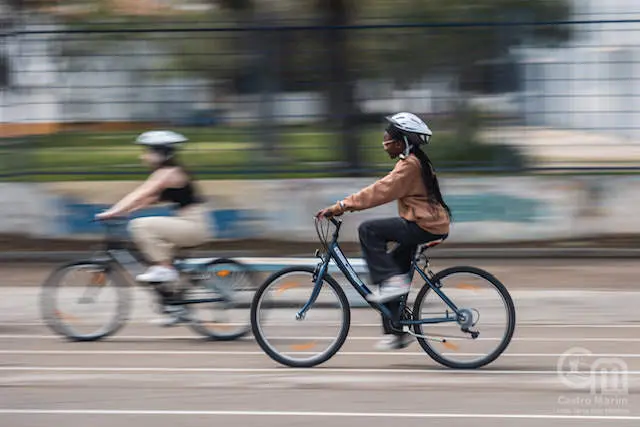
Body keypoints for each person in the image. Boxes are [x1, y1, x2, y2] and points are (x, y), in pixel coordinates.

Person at [315, 112, 451, 350]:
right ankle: (397, 332)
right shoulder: (411, 162)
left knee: (369, 230)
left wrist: (341, 207)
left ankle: (394, 287)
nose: (384, 141)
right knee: (388, 269)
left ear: (403, 141)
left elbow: (379, 191)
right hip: (424, 224)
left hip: (425, 225)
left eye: (388, 137)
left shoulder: (409, 165)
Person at [95, 130, 211, 284]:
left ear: (161, 153)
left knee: (140, 225)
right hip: (188, 223)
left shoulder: (168, 173)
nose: (142, 156)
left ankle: (164, 269)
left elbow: (141, 193)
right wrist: (123, 212)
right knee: (157, 245)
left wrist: (113, 211)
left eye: (147, 152)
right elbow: (147, 200)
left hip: (193, 225)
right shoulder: (168, 173)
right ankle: (172, 297)